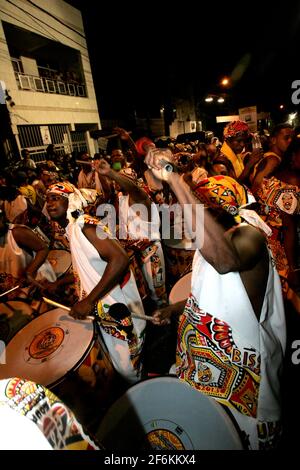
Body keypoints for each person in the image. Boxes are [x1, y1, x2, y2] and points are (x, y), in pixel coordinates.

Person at [145, 149, 286, 450]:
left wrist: (173, 178)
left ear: (218, 210)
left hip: (245, 382)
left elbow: (224, 262)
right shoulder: (208, 243)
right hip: (206, 373)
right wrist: (175, 308)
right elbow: (214, 298)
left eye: (196, 208)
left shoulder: (250, 237)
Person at [45, 182, 146, 383]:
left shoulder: (85, 225)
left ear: (71, 201)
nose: (49, 203)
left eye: (55, 198)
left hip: (119, 305)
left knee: (129, 369)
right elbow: (91, 265)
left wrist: (89, 301)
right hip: (103, 306)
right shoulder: (73, 228)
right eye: (47, 199)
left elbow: (120, 259)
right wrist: (61, 282)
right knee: (119, 364)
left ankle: (147, 394)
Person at [97, 159, 167, 307]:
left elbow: (134, 189)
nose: (116, 182)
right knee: (144, 293)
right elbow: (109, 192)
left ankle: (165, 319)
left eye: (121, 179)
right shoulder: (123, 199)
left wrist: (111, 173)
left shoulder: (142, 199)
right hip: (134, 253)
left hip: (150, 253)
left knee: (157, 293)